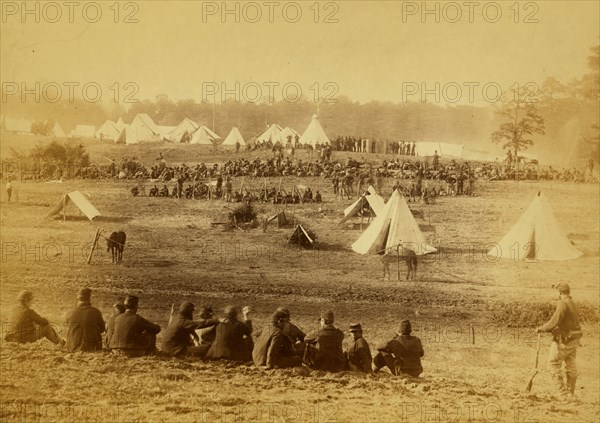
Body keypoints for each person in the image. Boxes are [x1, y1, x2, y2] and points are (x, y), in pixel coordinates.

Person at [536, 283, 582, 396]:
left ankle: (563, 393)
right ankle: (570, 392)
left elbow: (554, 321)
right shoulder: (573, 303)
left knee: (553, 364)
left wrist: (541, 328)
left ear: (560, 292)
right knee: (571, 364)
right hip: (574, 339)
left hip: (564, 340)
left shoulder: (562, 303)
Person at [65, 288, 105, 352]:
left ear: (78, 299)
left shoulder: (70, 312)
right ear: (89, 298)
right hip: (91, 348)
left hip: (73, 348)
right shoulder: (96, 312)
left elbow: (69, 325)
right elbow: (102, 329)